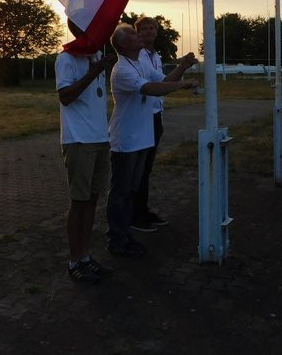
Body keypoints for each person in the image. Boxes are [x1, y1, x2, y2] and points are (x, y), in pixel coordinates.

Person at [106, 24, 198, 257]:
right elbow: (152, 89)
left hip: (141, 137)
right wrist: (181, 84)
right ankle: (117, 239)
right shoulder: (122, 69)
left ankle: (126, 233)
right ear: (123, 44)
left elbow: (163, 80)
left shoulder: (140, 64)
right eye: (133, 34)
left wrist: (182, 67)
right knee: (121, 191)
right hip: (126, 139)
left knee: (132, 189)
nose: (139, 35)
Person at [55, 32, 117, 283]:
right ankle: (74, 261)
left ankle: (86, 256)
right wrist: (93, 73)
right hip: (79, 139)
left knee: (92, 201)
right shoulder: (67, 58)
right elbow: (65, 97)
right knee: (79, 202)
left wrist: (100, 67)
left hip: (100, 137)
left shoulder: (97, 54)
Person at [131, 16, 169, 232]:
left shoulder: (156, 56)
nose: (149, 31)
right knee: (140, 168)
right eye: (144, 28)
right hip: (143, 117)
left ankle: (142, 209)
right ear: (137, 33)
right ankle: (136, 214)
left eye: (152, 28)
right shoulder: (139, 56)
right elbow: (156, 83)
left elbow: (162, 80)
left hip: (156, 115)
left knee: (147, 167)